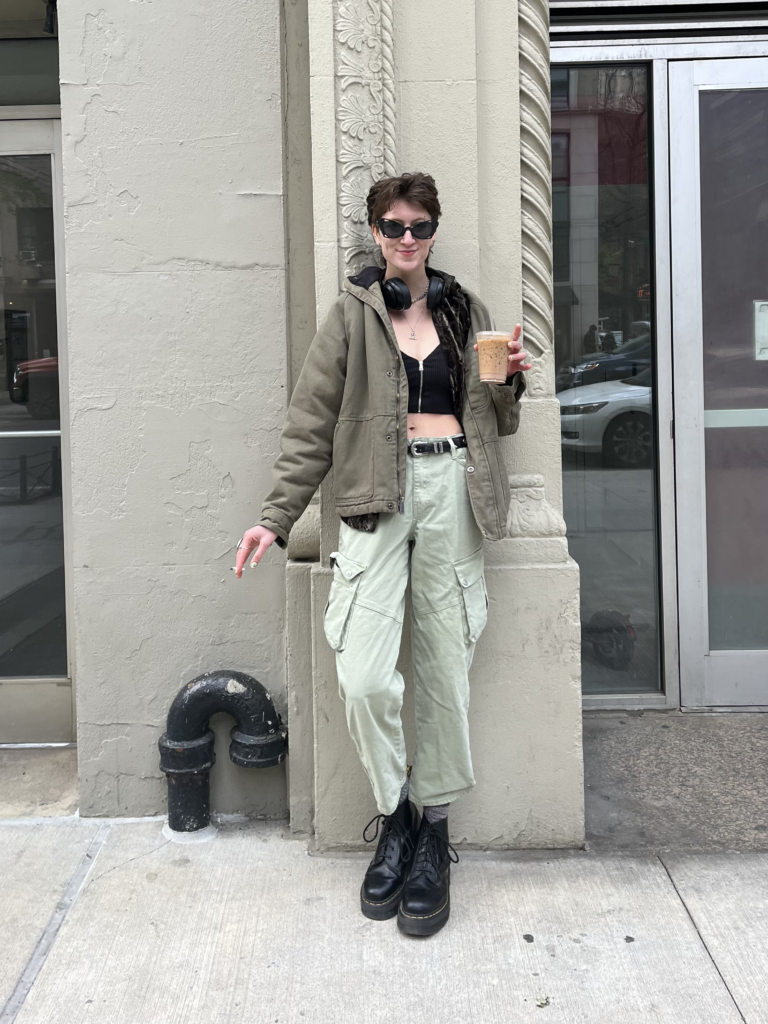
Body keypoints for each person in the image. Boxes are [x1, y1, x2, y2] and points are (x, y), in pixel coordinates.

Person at [234, 172, 531, 937]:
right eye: (393, 227)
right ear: (374, 233)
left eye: (420, 227)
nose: (407, 240)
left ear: (435, 231)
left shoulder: (467, 312)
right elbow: (309, 426)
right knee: (365, 677)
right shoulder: (349, 318)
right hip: (373, 502)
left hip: (453, 494)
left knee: (443, 670)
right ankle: (394, 813)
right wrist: (275, 518)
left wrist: (512, 386)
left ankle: (431, 835)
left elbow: (497, 419)